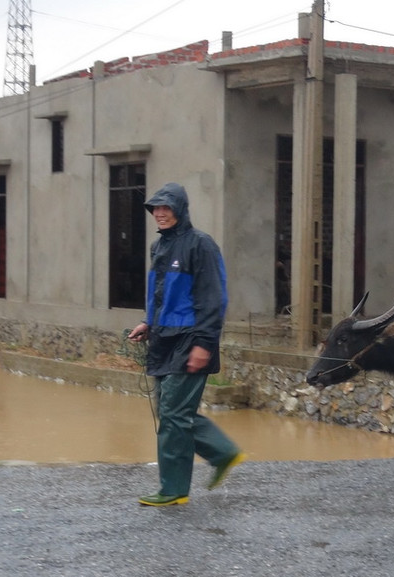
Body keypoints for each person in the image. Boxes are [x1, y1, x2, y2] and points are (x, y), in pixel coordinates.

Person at [128, 182, 244, 507]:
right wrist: (148, 323)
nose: (160, 213)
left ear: (181, 210)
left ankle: (173, 489)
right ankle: (224, 453)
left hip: (191, 340)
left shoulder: (201, 245)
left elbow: (213, 298)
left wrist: (204, 344)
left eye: (167, 207)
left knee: (173, 414)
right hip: (163, 341)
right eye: (156, 208)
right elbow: (160, 293)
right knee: (174, 413)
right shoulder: (159, 247)